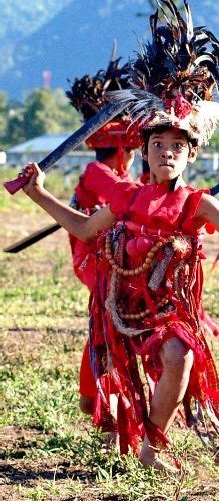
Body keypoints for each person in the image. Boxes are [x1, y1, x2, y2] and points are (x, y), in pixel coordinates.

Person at [19, 0, 219, 471]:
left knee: (182, 356)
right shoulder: (126, 197)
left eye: (177, 146)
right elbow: (84, 228)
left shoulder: (198, 203)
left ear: (190, 155)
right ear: (145, 151)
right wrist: (38, 194)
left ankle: (153, 446)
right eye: (158, 145)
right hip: (118, 307)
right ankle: (123, 434)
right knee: (116, 373)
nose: (167, 153)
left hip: (171, 310)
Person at [65, 58, 141, 419]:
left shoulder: (110, 173)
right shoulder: (99, 172)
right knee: (107, 324)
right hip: (96, 259)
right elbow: (131, 198)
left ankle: (101, 399)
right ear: (124, 149)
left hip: (114, 258)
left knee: (114, 322)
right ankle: (98, 399)